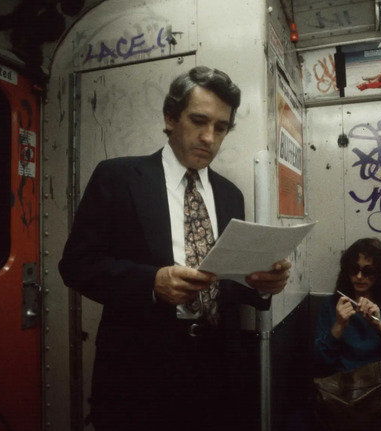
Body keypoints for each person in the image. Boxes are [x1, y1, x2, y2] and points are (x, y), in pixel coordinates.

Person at [58, 66, 291, 431]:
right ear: (170, 118)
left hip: (218, 371)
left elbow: (226, 282)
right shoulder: (118, 178)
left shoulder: (231, 195)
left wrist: (260, 285)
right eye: (199, 121)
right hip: (139, 373)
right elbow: (75, 265)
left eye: (221, 127)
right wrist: (151, 282)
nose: (209, 137)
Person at [314, 238, 381, 407]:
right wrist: (338, 328)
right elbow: (319, 364)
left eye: (368, 271)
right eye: (354, 270)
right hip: (342, 393)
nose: (359, 277)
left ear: (380, 273)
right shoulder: (332, 306)